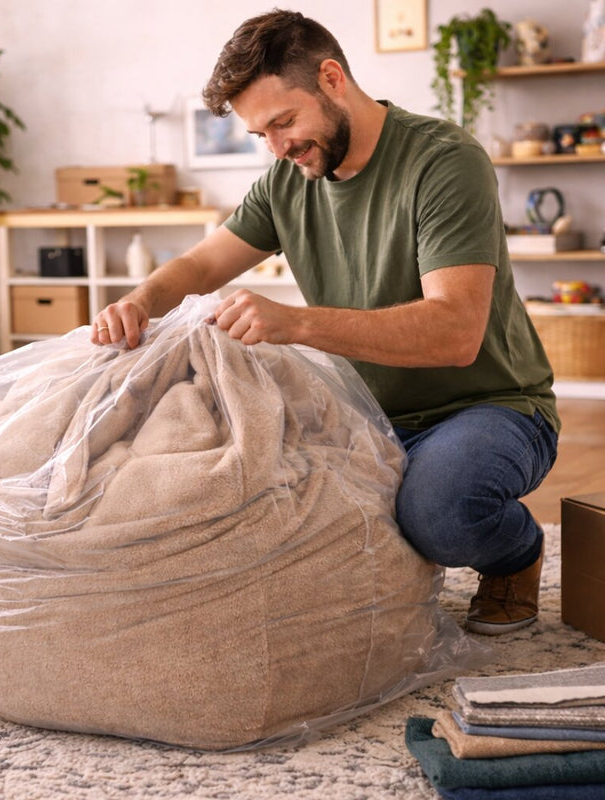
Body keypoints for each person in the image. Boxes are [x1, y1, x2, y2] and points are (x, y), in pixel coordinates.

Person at [91, 10, 559, 636]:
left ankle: (516, 556)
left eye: (284, 122)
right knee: (233, 492)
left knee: (439, 513)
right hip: (364, 413)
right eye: (261, 134)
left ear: (332, 78)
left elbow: (455, 331)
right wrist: (140, 301)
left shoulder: (444, 160)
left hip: (489, 407)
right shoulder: (288, 177)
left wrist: (298, 324)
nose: (278, 147)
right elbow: (204, 262)